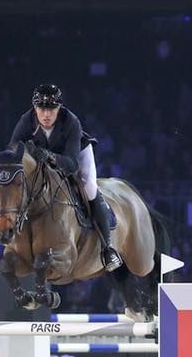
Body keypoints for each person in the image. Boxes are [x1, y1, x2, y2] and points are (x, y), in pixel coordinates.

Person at [8, 84, 122, 272]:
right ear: (34, 108)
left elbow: (71, 164)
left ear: (59, 108)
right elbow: (13, 148)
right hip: (42, 161)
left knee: (89, 187)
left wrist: (50, 156)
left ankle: (107, 248)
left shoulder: (71, 122)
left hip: (76, 155)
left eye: (51, 109)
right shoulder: (26, 120)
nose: (46, 114)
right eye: (41, 109)